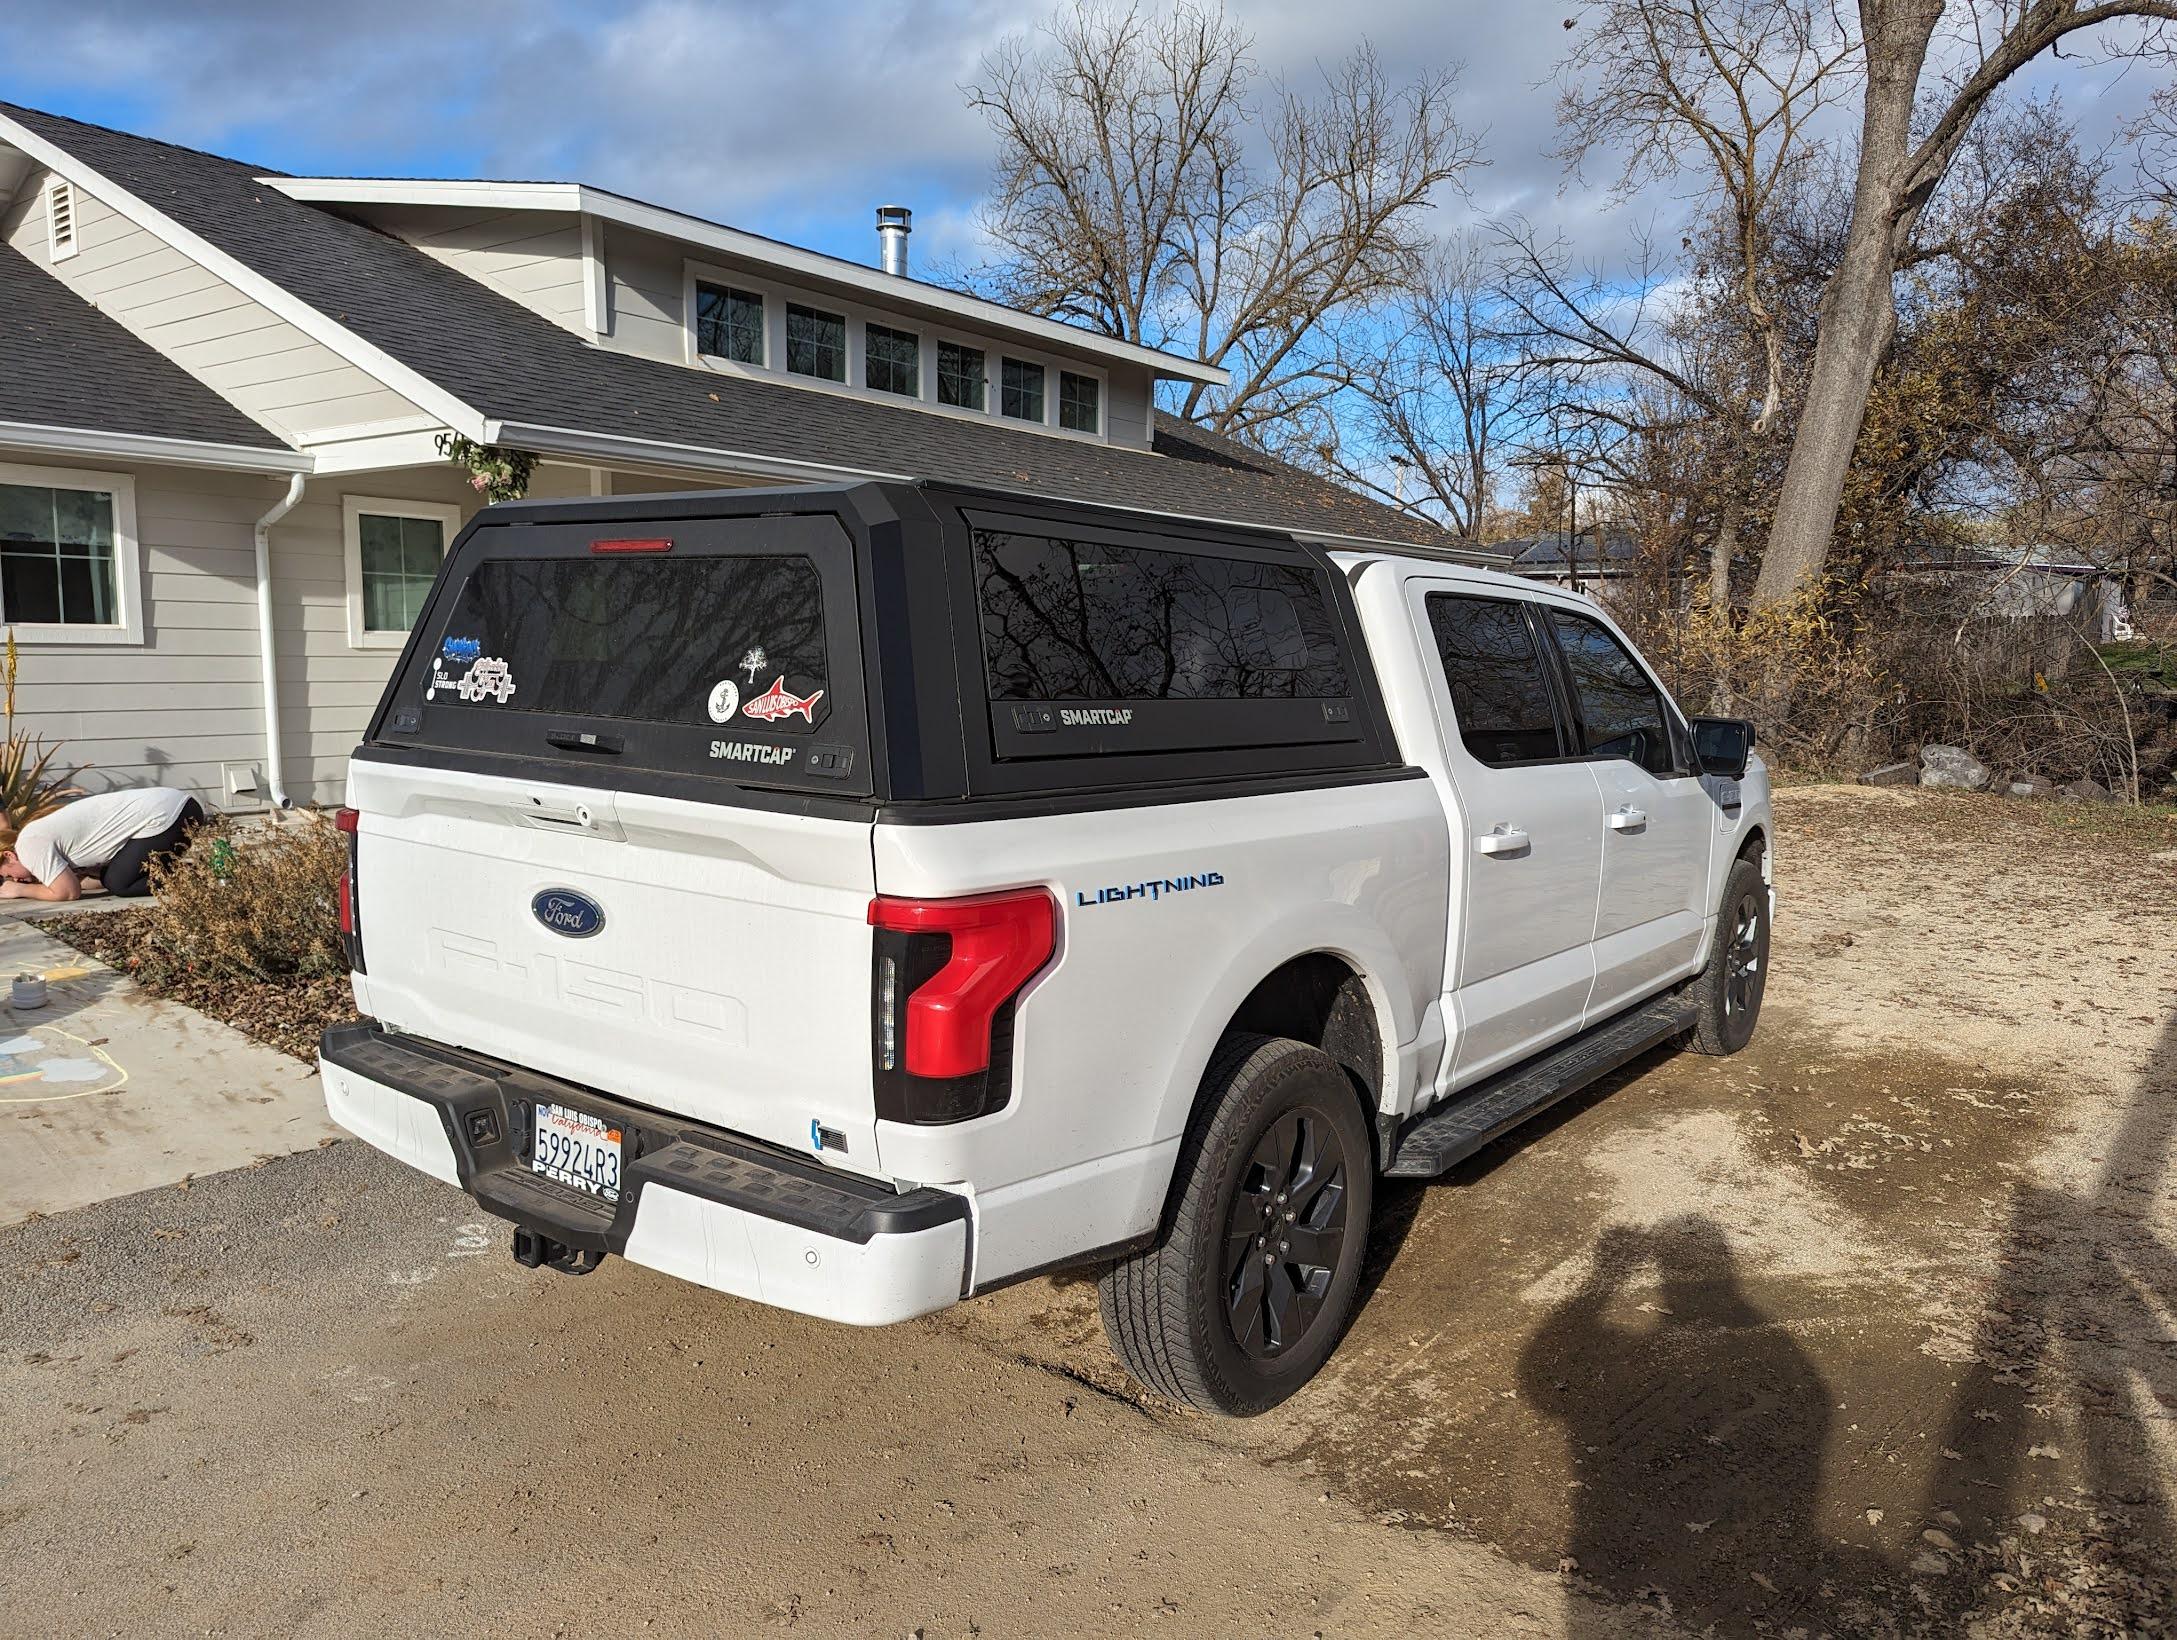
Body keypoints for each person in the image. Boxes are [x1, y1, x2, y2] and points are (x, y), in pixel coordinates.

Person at [0, 787, 204, 902]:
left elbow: (69, 892)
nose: (15, 879)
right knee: (111, 877)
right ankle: (191, 872)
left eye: (9, 874)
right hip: (180, 808)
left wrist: (19, 890)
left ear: (10, 855)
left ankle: (196, 879)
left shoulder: (28, 845)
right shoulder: (36, 836)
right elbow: (88, 881)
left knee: (119, 883)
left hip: (168, 817)